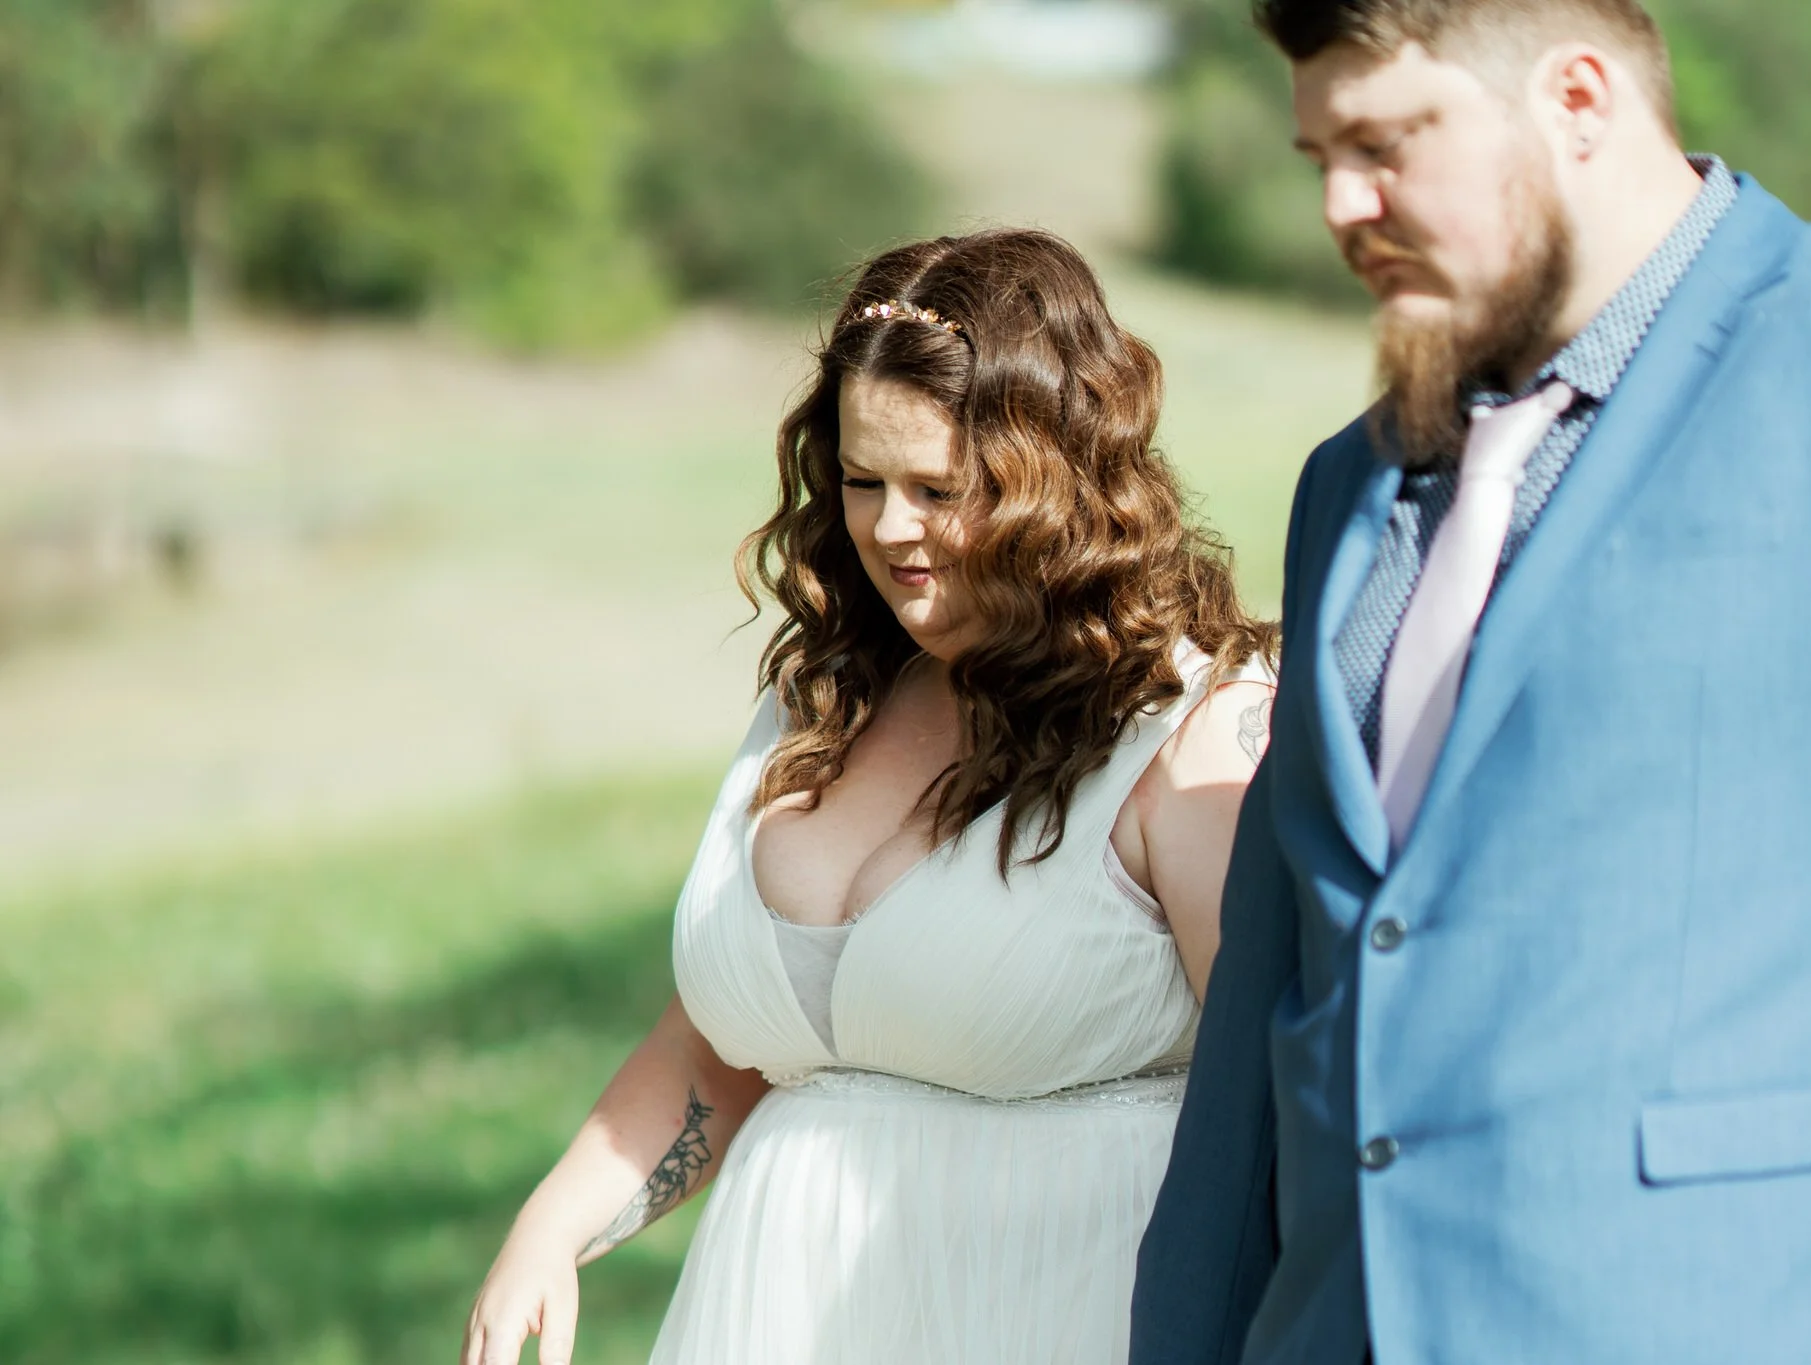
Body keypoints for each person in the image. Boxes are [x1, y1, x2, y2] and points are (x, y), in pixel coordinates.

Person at [1130, 2, 1811, 1363]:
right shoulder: (1348, 480)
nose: (1340, 202)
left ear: (1578, 99)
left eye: (1385, 143)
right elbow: (1269, 1027)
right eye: (1317, 151)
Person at [462, 227, 1278, 1365]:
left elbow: (1268, 1110)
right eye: (861, 481)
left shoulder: (1187, 729)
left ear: (1055, 479)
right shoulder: (826, 700)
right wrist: (546, 1233)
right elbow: (718, 1052)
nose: (891, 529)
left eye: (939, 488)